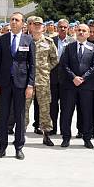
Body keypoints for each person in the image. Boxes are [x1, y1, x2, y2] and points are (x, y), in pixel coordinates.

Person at [0, 12, 36, 160]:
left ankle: (19, 147)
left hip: (21, 84)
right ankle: (2, 147)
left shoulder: (28, 40)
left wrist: (30, 85)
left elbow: (32, 65)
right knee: (3, 116)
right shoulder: (2, 39)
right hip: (4, 84)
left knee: (20, 115)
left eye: (17, 20)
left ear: (23, 23)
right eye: (12, 20)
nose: (13, 22)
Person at [59, 24, 94, 149]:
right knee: (66, 112)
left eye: (84, 31)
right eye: (79, 30)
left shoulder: (93, 48)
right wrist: (74, 77)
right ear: (75, 32)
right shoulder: (69, 47)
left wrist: (83, 78)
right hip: (70, 86)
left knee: (87, 113)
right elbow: (64, 64)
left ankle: (87, 138)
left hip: (86, 86)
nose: (81, 32)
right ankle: (66, 138)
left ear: (88, 33)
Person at [25, 17, 59, 146]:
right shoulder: (25, 41)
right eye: (35, 24)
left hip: (43, 81)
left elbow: (54, 59)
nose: (37, 27)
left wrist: (45, 69)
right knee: (24, 108)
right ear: (31, 26)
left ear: (43, 27)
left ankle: (46, 135)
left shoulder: (49, 42)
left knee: (45, 109)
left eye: (40, 25)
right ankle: (21, 134)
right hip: (27, 81)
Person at [49, 19, 75, 135]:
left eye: (65, 27)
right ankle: (52, 128)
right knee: (52, 106)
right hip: (53, 79)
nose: (62, 29)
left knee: (66, 107)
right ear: (56, 28)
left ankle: (65, 131)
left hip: (67, 80)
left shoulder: (73, 42)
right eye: (60, 27)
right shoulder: (51, 41)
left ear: (68, 28)